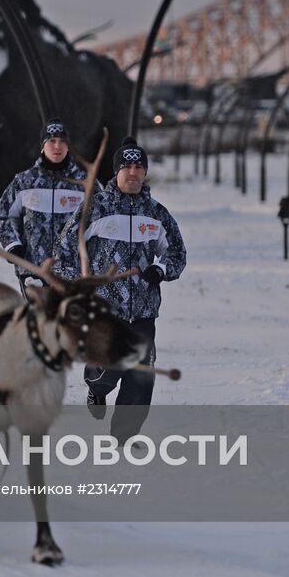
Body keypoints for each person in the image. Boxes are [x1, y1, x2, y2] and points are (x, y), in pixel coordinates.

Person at [56, 136, 185, 439]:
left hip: (143, 309)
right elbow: (64, 251)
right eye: (126, 166)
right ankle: (96, 388)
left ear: (145, 172)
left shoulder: (156, 214)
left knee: (141, 374)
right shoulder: (95, 209)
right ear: (116, 171)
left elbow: (177, 253)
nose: (132, 172)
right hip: (104, 309)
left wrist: (160, 269)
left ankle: (124, 439)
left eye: (139, 167)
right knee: (107, 369)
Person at [0, 120, 87, 283]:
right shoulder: (24, 181)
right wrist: (13, 246)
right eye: (52, 141)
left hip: (73, 274)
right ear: (43, 146)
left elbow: (100, 220)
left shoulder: (85, 183)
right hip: (32, 271)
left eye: (62, 141)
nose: (57, 146)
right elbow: (2, 215)